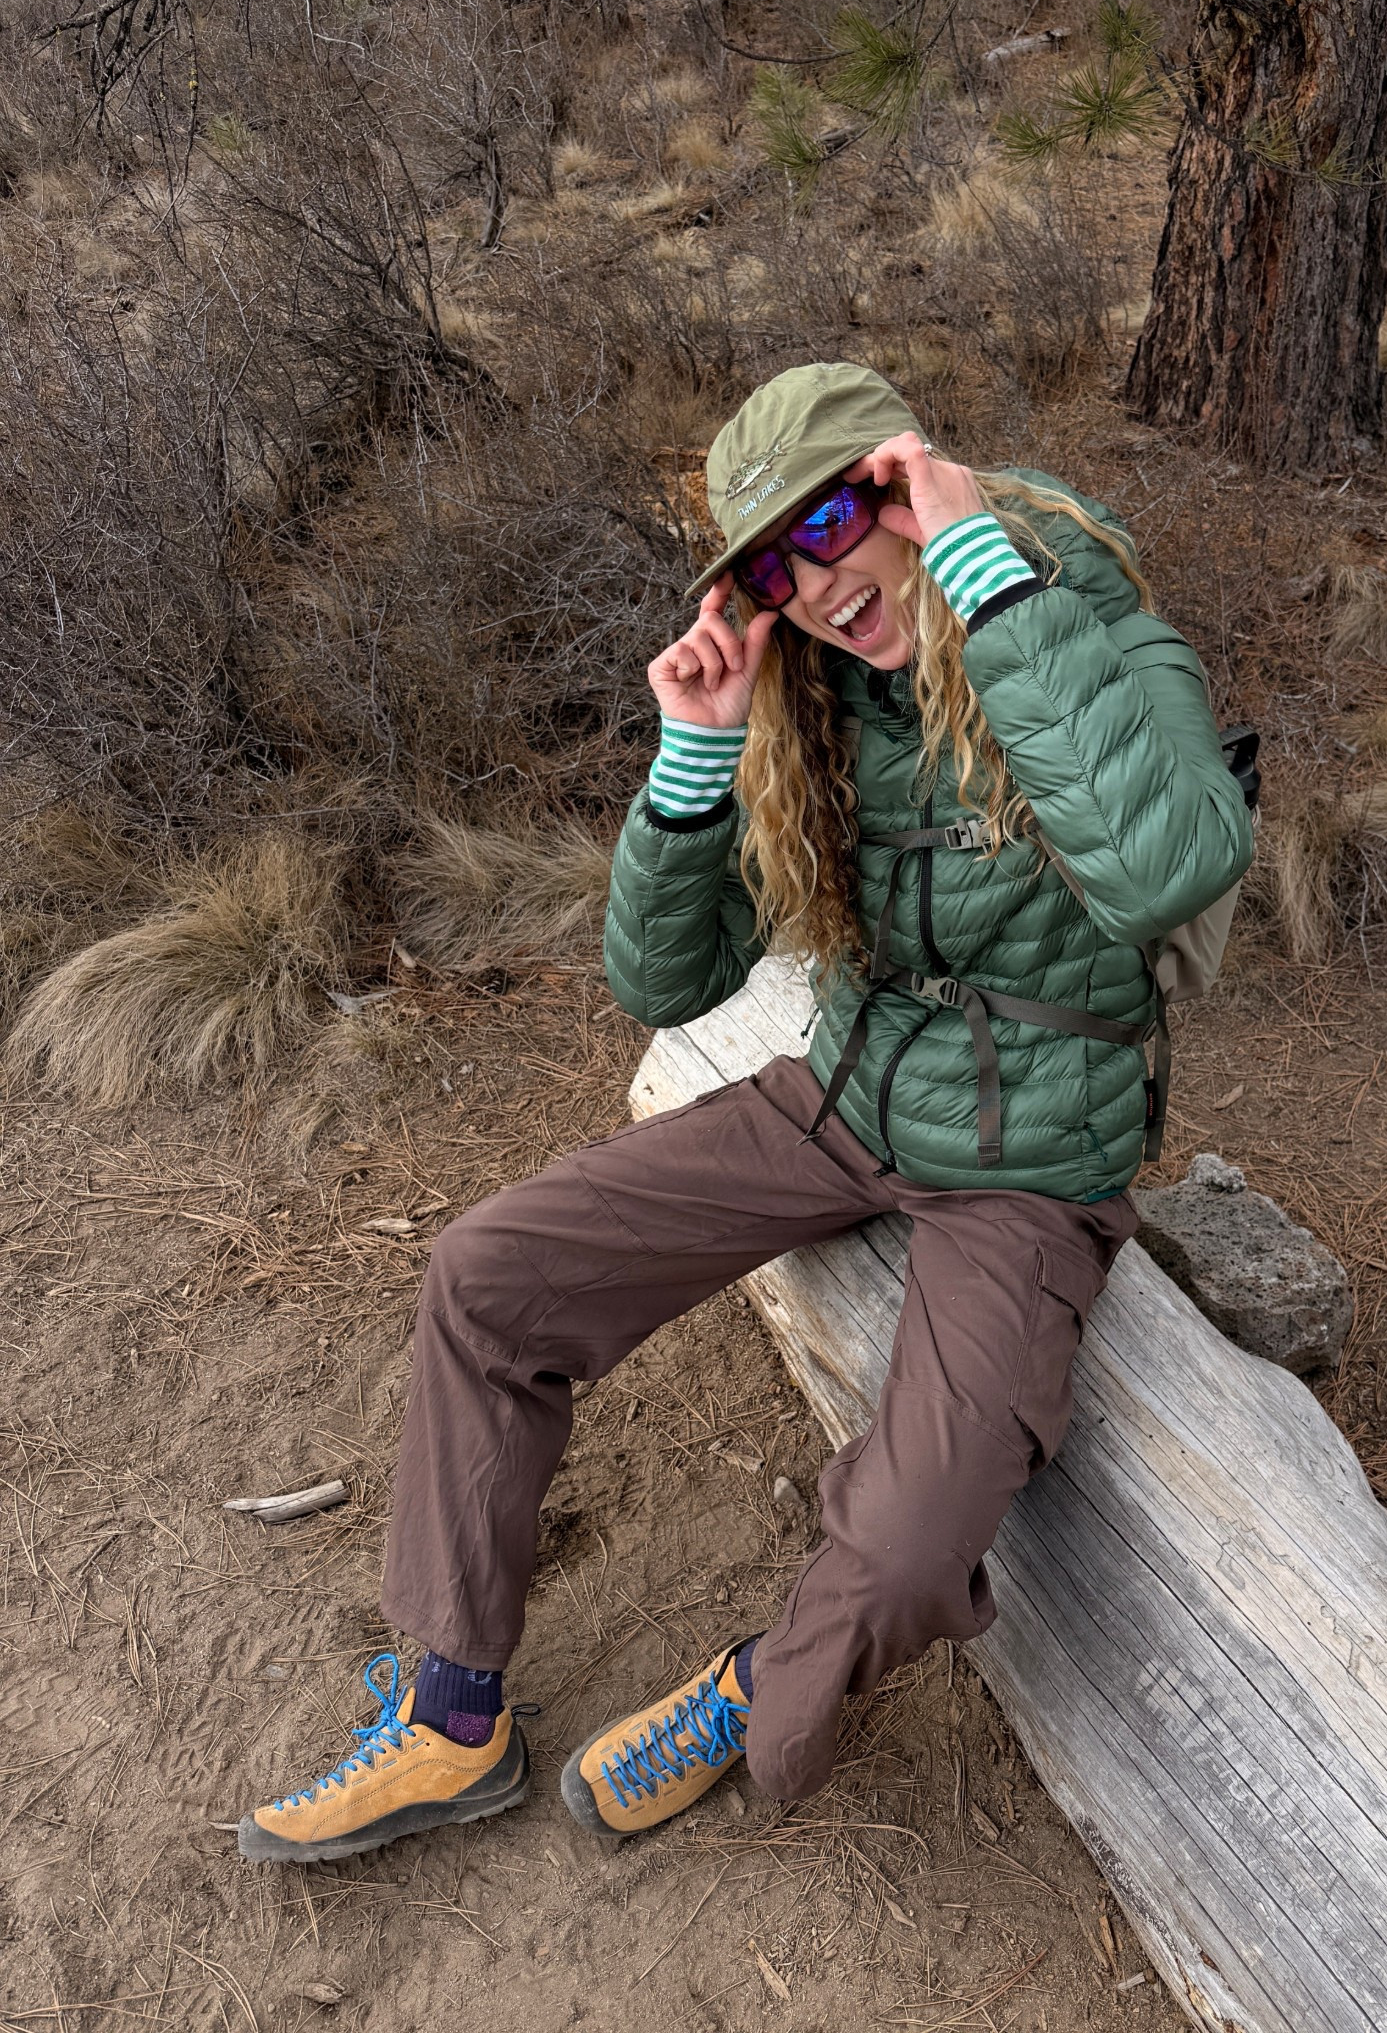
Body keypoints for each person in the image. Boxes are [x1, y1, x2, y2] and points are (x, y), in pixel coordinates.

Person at [238, 362, 1253, 1863]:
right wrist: (700, 755)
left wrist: (984, 580)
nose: (820, 586)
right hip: (841, 1096)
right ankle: (451, 1718)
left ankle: (760, 1687)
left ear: (908, 485)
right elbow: (666, 982)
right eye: (775, 568)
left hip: (1032, 1162)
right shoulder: (817, 698)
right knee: (491, 1274)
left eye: (835, 522)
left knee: (906, 1547)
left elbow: (1169, 867)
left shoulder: (1079, 621)